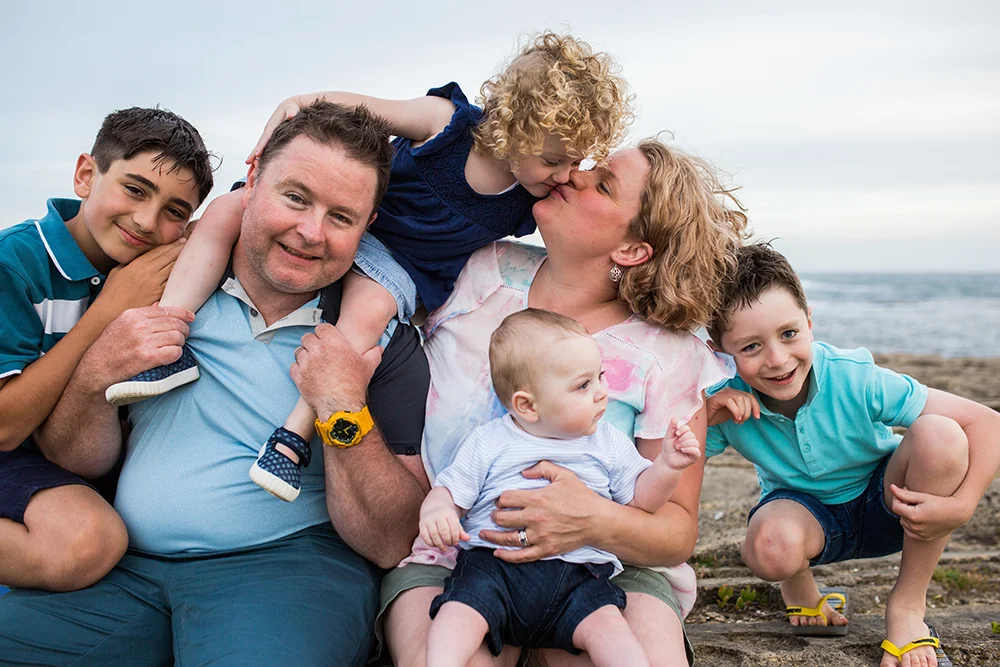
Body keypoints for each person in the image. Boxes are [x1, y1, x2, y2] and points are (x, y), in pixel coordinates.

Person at [104, 31, 634, 504]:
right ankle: (165, 338)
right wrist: (294, 106)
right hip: (342, 219)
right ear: (513, 126)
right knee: (226, 209)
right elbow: (360, 109)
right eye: (555, 160)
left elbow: (578, 243)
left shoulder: (527, 198)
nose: (565, 174)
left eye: (576, 162)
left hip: (398, 263)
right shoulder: (446, 123)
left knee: (364, 317)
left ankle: (291, 439)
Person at [0, 101, 430, 665]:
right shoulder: (156, 283)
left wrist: (343, 406)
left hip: (284, 572)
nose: (310, 232)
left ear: (367, 226)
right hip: (122, 572)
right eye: (295, 197)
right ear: (252, 184)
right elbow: (74, 458)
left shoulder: (377, 340)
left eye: (341, 217)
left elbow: (392, 540)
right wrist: (96, 373)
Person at [382, 138, 748, 667]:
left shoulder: (669, 354)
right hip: (457, 552)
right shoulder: (481, 272)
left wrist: (590, 521)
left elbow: (675, 533)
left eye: (603, 185)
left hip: (607, 567)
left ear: (632, 250)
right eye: (589, 166)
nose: (573, 174)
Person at [703, 243, 1000, 667]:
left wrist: (962, 504)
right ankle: (799, 585)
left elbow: (988, 423)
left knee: (941, 434)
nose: (778, 359)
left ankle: (908, 606)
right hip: (805, 516)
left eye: (789, 334)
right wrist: (701, 416)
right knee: (770, 547)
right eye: (750, 347)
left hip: (891, 504)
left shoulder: (854, 376)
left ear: (809, 321)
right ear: (718, 351)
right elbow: (668, 470)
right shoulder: (724, 402)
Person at [0, 107, 213, 592]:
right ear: (85, 175)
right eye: (134, 189)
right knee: (88, 541)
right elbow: (4, 427)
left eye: (174, 212)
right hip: (11, 448)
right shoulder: (14, 261)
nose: (146, 220)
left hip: (60, 458)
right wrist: (107, 311)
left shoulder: (158, 267)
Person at [422, 309, 701, 667]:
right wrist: (439, 511)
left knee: (611, 629)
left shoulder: (606, 443)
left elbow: (641, 499)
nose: (602, 393)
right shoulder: (489, 441)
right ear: (528, 405)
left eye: (600, 377)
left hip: (578, 576)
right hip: (492, 567)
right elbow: (450, 491)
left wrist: (667, 466)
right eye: (583, 385)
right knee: (458, 613)